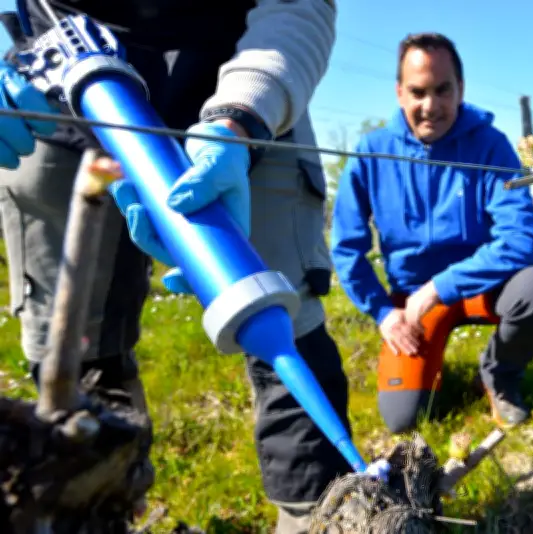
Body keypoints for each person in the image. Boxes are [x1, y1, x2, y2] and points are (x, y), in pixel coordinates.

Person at [0, 1, 351, 532]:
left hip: (238, 71)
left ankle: (321, 514)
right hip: (57, 83)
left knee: (288, 311)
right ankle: (95, 506)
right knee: (76, 346)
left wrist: (242, 116)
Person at [330, 32, 533, 434]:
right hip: (410, 301)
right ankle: (423, 370)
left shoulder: (491, 146)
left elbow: (521, 241)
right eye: (418, 92)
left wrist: (438, 288)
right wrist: (384, 314)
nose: (430, 106)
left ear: (461, 89)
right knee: (404, 420)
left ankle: (498, 373)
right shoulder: (372, 153)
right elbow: (346, 248)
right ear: (399, 93)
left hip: (483, 285)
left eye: (443, 90)